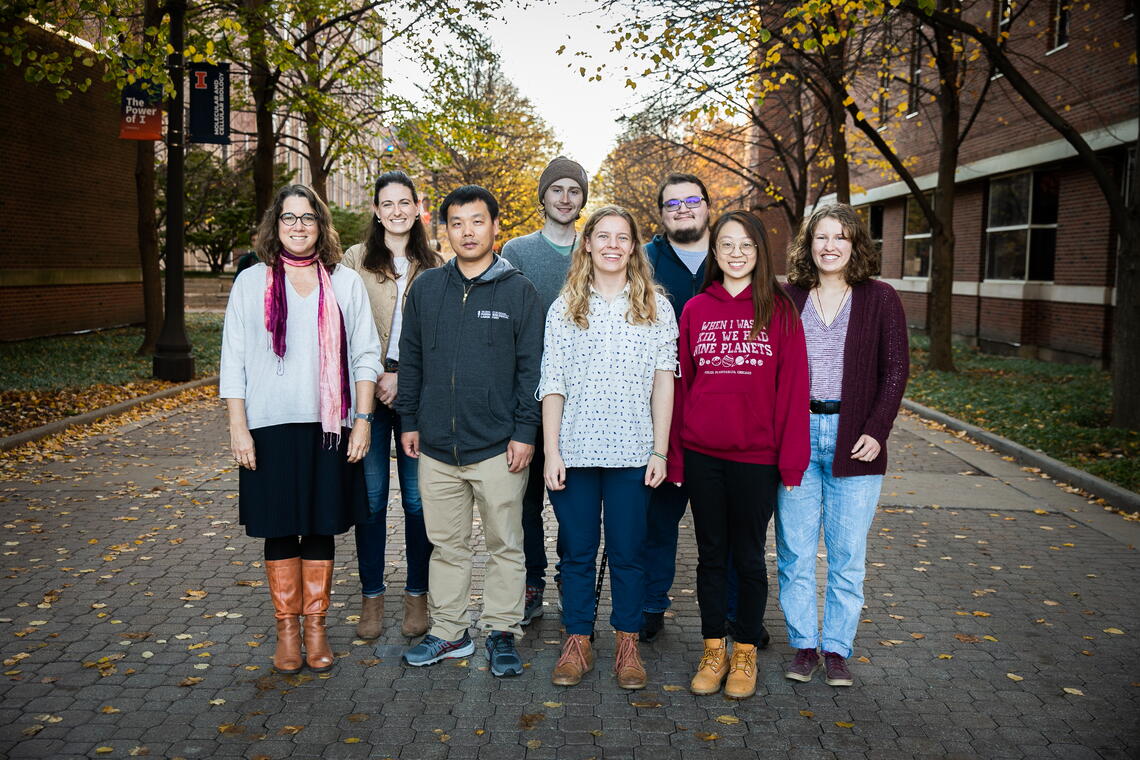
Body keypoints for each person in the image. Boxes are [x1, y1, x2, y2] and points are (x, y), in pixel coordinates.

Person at [219, 184, 381, 675]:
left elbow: (365, 356)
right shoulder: (251, 283)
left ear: (320, 225)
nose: (298, 226)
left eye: (307, 217)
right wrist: (238, 428)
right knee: (280, 526)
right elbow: (233, 360)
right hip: (268, 427)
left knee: (319, 523)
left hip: (328, 428)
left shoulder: (345, 282)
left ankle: (316, 629)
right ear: (276, 225)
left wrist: (363, 422)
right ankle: (287, 632)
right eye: (288, 218)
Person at [395, 185, 542, 678]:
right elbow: (410, 360)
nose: (467, 232)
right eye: (456, 223)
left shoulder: (518, 291)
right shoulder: (427, 289)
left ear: (496, 227)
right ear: (445, 230)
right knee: (448, 546)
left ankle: (502, 631)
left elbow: (531, 370)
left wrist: (526, 432)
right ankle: (450, 632)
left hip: (499, 447)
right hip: (436, 447)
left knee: (506, 544)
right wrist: (410, 420)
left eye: (477, 221)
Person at [667, 210, 809, 699]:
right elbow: (682, 388)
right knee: (709, 557)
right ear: (714, 251)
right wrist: (676, 456)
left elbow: (794, 391)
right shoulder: (695, 310)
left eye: (746, 245)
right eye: (726, 244)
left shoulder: (781, 309)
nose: (735, 253)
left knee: (748, 558)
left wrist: (792, 461)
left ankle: (744, 651)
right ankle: (713, 649)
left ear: (759, 253)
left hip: (756, 459)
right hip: (703, 455)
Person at [540, 206, 677, 690]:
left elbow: (665, 384)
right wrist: (552, 451)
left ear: (634, 247)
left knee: (628, 552)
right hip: (574, 452)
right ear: (588, 244)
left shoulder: (656, 307)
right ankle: (577, 640)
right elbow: (552, 383)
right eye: (604, 236)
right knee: (576, 552)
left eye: (623, 237)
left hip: (633, 453)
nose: (613, 245)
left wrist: (660, 451)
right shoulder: (565, 308)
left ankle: (626, 643)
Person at [776, 202, 909, 688]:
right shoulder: (788, 296)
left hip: (857, 440)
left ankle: (836, 648)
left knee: (847, 554)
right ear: (808, 244)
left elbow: (894, 371)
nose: (830, 246)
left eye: (840, 237)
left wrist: (877, 430)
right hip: (797, 438)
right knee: (794, 552)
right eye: (821, 237)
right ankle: (804, 645)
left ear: (855, 245)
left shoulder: (880, 298)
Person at [342, 171, 443, 641]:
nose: (398, 210)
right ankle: (372, 597)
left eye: (406, 202)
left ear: (417, 208)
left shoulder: (437, 263)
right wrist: (377, 375)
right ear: (377, 210)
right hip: (367, 392)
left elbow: (440, 339)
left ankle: (417, 596)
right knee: (373, 498)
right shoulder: (354, 261)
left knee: (419, 500)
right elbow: (342, 328)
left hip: (418, 396)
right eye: (388, 203)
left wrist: (404, 377)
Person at [502, 156, 589, 624]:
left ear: (582, 199)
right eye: (556, 189)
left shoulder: (596, 249)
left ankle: (570, 578)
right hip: (530, 393)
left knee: (574, 498)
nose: (564, 198)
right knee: (527, 496)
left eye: (573, 191)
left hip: (587, 396)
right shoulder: (516, 252)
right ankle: (532, 580)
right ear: (543, 196)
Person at [638, 172, 709, 644]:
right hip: (659, 410)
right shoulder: (644, 261)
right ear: (661, 215)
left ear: (707, 205)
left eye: (691, 200)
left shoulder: (732, 255)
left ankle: (728, 612)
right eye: (671, 204)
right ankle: (649, 605)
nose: (682, 209)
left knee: (717, 523)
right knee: (657, 521)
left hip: (720, 410)